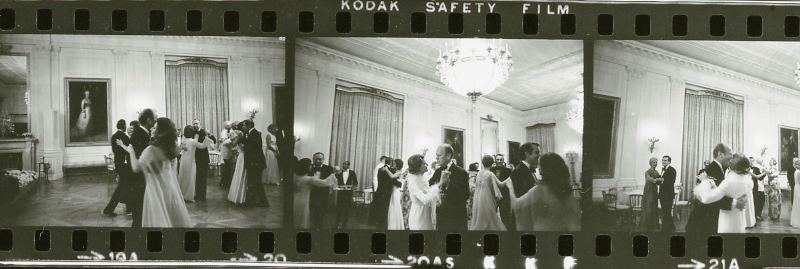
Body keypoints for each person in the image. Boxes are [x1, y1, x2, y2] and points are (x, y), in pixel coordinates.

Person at [116, 117, 192, 228]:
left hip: (155, 191)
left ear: (161, 132)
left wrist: (131, 152)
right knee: (172, 218)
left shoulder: (151, 150)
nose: (152, 128)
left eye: (155, 127)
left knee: (158, 222)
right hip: (169, 188)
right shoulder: (169, 148)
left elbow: (136, 167)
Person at [504, 153, 580, 231]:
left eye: (540, 166)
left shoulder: (538, 190)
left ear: (542, 170)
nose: (538, 169)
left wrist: (510, 188)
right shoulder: (567, 189)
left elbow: (518, 206)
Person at [685, 143, 740, 234]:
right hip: (703, 223)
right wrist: (736, 203)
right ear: (720, 154)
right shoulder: (712, 169)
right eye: (730, 153)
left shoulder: (718, 168)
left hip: (708, 219)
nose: (732, 156)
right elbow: (717, 195)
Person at [694, 154, 752, 233]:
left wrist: (704, 181)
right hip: (739, 219)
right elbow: (728, 193)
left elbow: (707, 199)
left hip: (727, 220)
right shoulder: (748, 181)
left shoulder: (729, 181)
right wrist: (715, 186)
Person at [429, 144, 470, 230]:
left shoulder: (461, 172)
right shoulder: (438, 171)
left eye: (439, 155)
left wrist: (448, 185)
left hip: (456, 216)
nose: (436, 158)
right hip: (441, 214)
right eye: (436, 155)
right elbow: (430, 186)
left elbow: (465, 195)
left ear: (448, 156)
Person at [127, 109, 156, 228]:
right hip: (140, 179)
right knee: (139, 213)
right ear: (149, 120)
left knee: (141, 213)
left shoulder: (143, 133)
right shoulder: (140, 134)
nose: (155, 120)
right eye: (154, 117)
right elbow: (141, 161)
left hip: (141, 178)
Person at [294, 158, 334, 229]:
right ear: (306, 167)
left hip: (295, 199)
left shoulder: (295, 175)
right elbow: (325, 183)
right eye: (310, 165)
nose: (311, 166)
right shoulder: (309, 179)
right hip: (303, 201)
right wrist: (333, 175)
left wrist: (316, 176)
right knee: (302, 221)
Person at [103, 119, 132, 216]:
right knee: (122, 187)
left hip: (118, 164)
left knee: (125, 185)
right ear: (123, 126)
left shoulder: (113, 136)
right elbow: (130, 149)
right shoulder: (124, 136)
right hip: (125, 164)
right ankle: (109, 209)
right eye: (125, 125)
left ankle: (129, 208)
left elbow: (115, 150)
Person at [469, 155, 506, 231]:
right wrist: (510, 178)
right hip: (487, 199)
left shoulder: (479, 173)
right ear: (492, 163)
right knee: (489, 217)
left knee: (480, 217)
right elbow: (501, 184)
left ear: (482, 163)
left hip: (478, 199)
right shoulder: (490, 174)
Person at [406, 154, 442, 230]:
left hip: (426, 214)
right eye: (424, 164)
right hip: (419, 216)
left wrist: (437, 200)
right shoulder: (413, 181)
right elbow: (424, 199)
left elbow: (428, 193)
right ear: (418, 167)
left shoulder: (422, 177)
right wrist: (440, 184)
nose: (427, 165)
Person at [241, 119, 269, 208]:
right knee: (256, 183)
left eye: (244, 125)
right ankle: (263, 202)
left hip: (255, 163)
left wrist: (253, 163)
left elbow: (254, 150)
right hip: (255, 162)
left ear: (249, 126)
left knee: (253, 183)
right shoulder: (252, 133)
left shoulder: (255, 134)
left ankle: (250, 203)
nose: (242, 127)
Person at [309, 152, 334, 228]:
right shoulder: (309, 168)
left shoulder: (328, 168)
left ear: (323, 159)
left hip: (323, 192)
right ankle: (313, 224)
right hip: (312, 192)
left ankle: (320, 224)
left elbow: (331, 180)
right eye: (316, 159)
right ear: (313, 159)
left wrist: (330, 191)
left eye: (320, 159)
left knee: (322, 209)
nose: (318, 161)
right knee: (312, 209)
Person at [192, 120, 216, 202]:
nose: (195, 125)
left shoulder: (204, 132)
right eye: (194, 123)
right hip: (194, 158)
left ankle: (202, 195)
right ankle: (197, 194)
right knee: (196, 177)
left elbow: (214, 140)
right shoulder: (191, 132)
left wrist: (210, 134)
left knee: (203, 177)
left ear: (200, 124)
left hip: (203, 158)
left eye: (197, 123)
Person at [490, 154, 513, 231]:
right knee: (492, 215)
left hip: (504, 196)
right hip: (492, 196)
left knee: (505, 217)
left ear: (503, 161)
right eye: (498, 159)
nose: (499, 161)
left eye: (501, 160)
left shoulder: (508, 171)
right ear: (495, 160)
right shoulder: (491, 170)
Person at [177, 126, 199, 203]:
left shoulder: (184, 140)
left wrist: (183, 147)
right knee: (190, 178)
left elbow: (180, 149)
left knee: (183, 177)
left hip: (183, 160)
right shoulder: (194, 141)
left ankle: (182, 194)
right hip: (191, 161)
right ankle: (189, 196)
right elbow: (202, 146)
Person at [227, 129, 247, 205]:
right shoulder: (238, 142)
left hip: (240, 158)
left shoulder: (235, 142)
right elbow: (243, 149)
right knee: (240, 175)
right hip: (242, 157)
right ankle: (240, 196)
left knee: (238, 175)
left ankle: (236, 195)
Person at [334, 161, 358, 229]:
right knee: (339, 207)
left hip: (348, 193)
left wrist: (353, 188)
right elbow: (335, 180)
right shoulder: (340, 172)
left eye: (345, 164)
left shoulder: (352, 172)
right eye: (343, 164)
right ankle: (337, 222)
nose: (344, 165)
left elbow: (356, 182)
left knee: (347, 207)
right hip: (340, 192)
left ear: (348, 165)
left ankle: (345, 222)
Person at [642, 157, 662, 232]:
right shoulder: (647, 172)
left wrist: (659, 180)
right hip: (648, 191)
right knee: (648, 208)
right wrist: (657, 180)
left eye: (656, 162)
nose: (655, 164)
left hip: (654, 191)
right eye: (654, 162)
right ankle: (647, 226)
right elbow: (650, 180)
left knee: (654, 207)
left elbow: (661, 180)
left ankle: (654, 226)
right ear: (650, 163)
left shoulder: (656, 172)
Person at [659, 155, 677, 232]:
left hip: (668, 195)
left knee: (667, 211)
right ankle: (670, 228)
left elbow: (671, 182)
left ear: (669, 161)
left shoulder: (672, 170)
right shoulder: (663, 169)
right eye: (663, 160)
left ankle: (666, 229)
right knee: (665, 212)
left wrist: (661, 180)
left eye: (665, 160)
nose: (663, 162)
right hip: (662, 194)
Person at [387, 159, 406, 230]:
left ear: (397, 165)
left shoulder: (399, 172)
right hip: (393, 190)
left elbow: (392, 176)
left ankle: (394, 226)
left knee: (395, 206)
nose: (393, 164)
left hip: (395, 191)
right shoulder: (396, 171)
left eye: (394, 163)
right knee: (392, 206)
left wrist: (386, 169)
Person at [219, 122, 235, 189]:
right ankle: (224, 182)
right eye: (228, 125)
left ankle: (227, 181)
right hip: (225, 151)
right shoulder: (223, 132)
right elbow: (223, 141)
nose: (230, 126)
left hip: (230, 151)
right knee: (226, 167)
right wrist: (231, 140)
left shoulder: (232, 131)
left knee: (228, 167)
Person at [751, 158, 766, 222]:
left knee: (761, 201)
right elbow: (759, 178)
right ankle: (757, 215)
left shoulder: (757, 168)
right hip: (756, 188)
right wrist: (765, 173)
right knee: (758, 202)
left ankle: (758, 214)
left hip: (760, 187)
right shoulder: (755, 168)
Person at [791, 158, 800, 228]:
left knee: (797, 203)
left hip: (796, 187)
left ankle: (795, 220)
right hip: (798, 187)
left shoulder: (795, 171)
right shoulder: (798, 172)